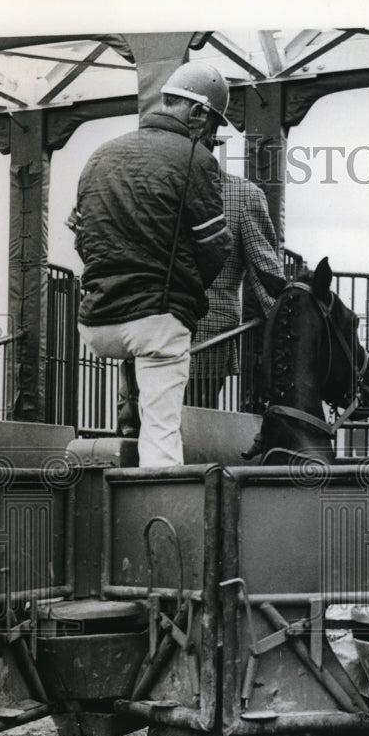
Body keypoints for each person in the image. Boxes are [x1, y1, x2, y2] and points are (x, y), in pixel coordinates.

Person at [74, 63, 232, 467]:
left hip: (96, 324)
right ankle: (164, 522)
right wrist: (187, 295)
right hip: (156, 320)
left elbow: (87, 240)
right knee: (162, 437)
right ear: (197, 113)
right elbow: (217, 248)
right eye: (214, 124)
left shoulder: (100, 156)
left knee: (141, 354)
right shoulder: (195, 158)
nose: (212, 137)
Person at [186, 158, 286, 409]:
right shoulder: (241, 194)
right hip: (182, 334)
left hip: (205, 339)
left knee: (186, 422)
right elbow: (266, 273)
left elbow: (265, 272)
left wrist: (287, 324)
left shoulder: (243, 194)